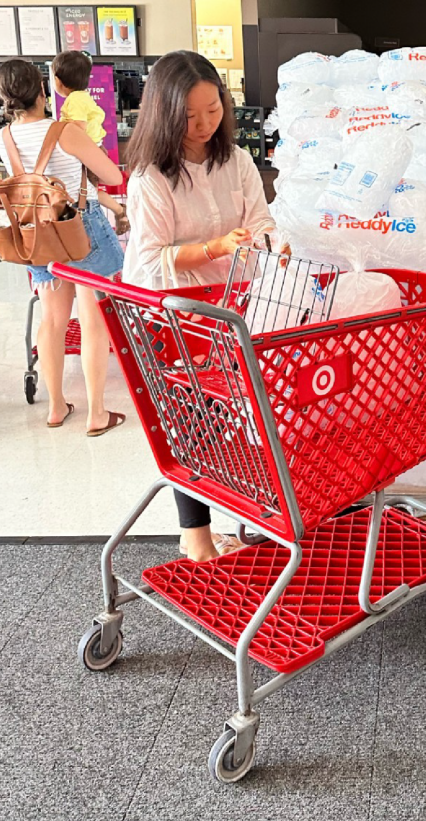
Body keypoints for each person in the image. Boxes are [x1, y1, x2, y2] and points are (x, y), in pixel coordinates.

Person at [123, 50, 283, 562]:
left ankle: (246, 510)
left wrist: (266, 242)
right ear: (164, 114)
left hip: (236, 308)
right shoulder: (151, 178)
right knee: (194, 417)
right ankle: (194, 532)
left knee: (241, 416)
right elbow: (149, 263)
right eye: (190, 116)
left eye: (213, 110)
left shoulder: (234, 160)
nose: (204, 125)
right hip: (177, 318)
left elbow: (261, 221)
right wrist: (215, 247)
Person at [0, 59, 126, 435]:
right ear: (43, 91)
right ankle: (97, 413)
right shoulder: (65, 131)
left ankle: (56, 407)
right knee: (92, 318)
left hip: (37, 233)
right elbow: (113, 175)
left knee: (52, 319)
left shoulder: (5, 137)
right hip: (79, 228)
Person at [52, 50, 130, 235]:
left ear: (58, 80)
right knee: (88, 191)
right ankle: (119, 212)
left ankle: (119, 211)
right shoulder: (82, 96)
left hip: (88, 152)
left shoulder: (75, 100)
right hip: (93, 149)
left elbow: (78, 128)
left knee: (88, 193)